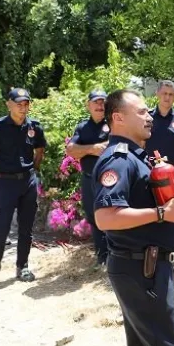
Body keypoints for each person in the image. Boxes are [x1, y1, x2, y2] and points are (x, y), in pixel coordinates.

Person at [93, 89, 174, 346]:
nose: (149, 117)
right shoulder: (119, 160)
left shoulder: (139, 158)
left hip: (145, 266)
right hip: (140, 269)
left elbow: (147, 200)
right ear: (118, 118)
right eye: (141, 112)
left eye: (148, 111)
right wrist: (162, 212)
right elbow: (106, 217)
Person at [0, 88, 46, 289]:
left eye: (26, 103)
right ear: (8, 104)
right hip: (5, 183)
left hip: (28, 182)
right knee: (1, 228)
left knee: (26, 228)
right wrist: (0, 175)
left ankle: (23, 267)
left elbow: (39, 150)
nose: (23, 107)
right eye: (18, 104)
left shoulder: (34, 126)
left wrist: (32, 170)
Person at [145, 80, 174, 268]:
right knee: (155, 212)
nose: (167, 97)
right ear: (157, 94)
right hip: (151, 174)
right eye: (164, 94)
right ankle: (161, 251)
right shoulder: (147, 120)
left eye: (171, 94)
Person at [66, 90, 110, 269]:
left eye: (103, 102)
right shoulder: (82, 127)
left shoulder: (115, 123)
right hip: (89, 179)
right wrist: (94, 148)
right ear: (88, 105)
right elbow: (71, 150)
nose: (100, 106)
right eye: (96, 102)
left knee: (112, 215)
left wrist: (84, 149)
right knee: (93, 217)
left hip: (110, 180)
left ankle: (116, 257)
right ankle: (102, 257)